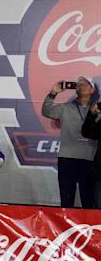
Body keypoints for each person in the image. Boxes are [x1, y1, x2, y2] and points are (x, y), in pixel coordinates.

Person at [42, 76, 98, 208]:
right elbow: (47, 111)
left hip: (90, 160)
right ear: (75, 89)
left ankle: (89, 229)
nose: (82, 86)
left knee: (89, 202)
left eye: (86, 84)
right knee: (66, 201)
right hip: (67, 159)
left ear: (93, 89)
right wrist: (53, 93)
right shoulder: (65, 108)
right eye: (79, 84)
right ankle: (67, 228)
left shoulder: (98, 108)